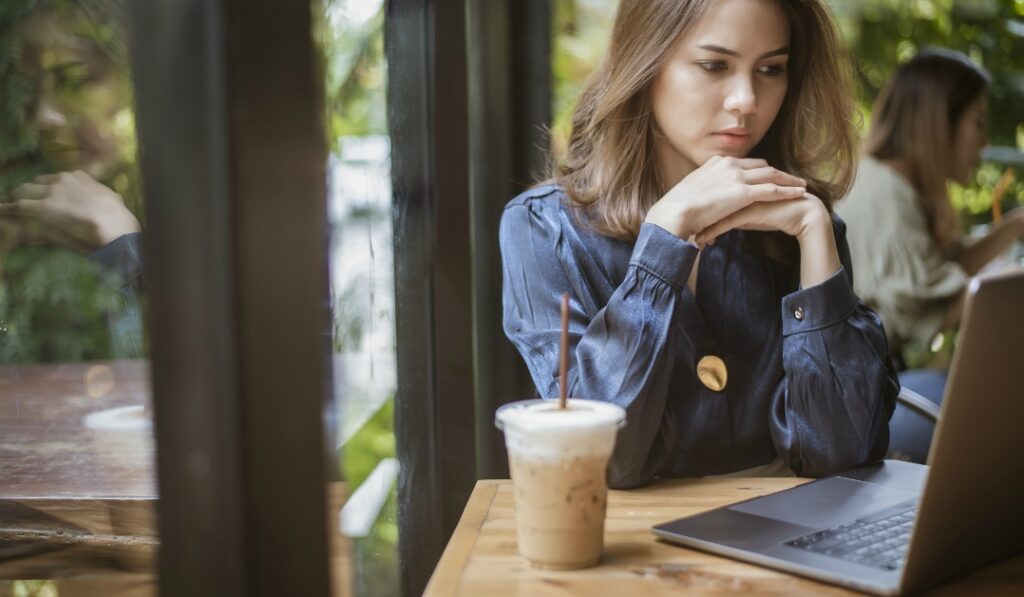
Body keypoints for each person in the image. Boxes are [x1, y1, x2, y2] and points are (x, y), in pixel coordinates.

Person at [500, 0, 899, 489]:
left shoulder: (798, 226)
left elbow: (843, 455)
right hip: (629, 552)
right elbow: (603, 461)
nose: (747, 100)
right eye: (714, 66)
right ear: (644, 65)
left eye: (771, 69)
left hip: (782, 546)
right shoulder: (546, 228)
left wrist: (817, 235)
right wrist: (663, 245)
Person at [836, 48, 1024, 462]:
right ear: (941, 123)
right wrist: (1010, 283)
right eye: (977, 123)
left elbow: (945, 268)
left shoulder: (888, 182)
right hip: (858, 404)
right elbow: (929, 306)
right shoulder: (888, 194)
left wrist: (1015, 224)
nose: (985, 141)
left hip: (873, 388)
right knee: (996, 401)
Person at [0, 0, 143, 361]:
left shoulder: (225, 205)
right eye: (33, 91)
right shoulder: (37, 216)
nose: (42, 117)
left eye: (74, 80)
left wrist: (124, 248)